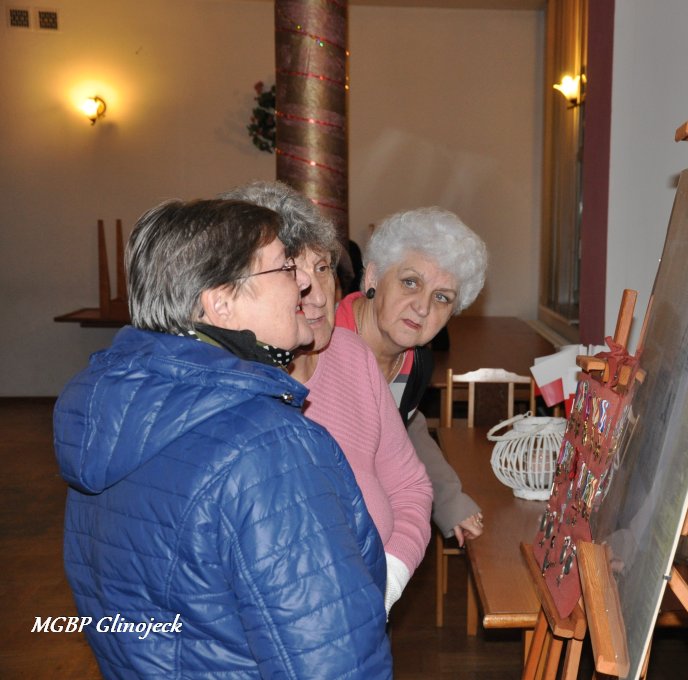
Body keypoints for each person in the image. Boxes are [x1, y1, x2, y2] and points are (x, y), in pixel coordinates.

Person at [53, 199, 391, 678]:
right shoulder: (269, 448)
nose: (303, 282)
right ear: (221, 303)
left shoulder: (110, 418)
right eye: (284, 267)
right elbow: (329, 659)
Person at [221, 181, 432, 614]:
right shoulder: (235, 389)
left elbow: (410, 486)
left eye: (323, 268)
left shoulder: (352, 354)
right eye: (293, 274)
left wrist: (387, 583)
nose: (319, 296)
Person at [338, 206, 488, 545]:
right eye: (410, 282)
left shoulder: (415, 362)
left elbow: (405, 428)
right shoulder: (318, 348)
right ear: (373, 277)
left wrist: (449, 500)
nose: (422, 307)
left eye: (442, 298)